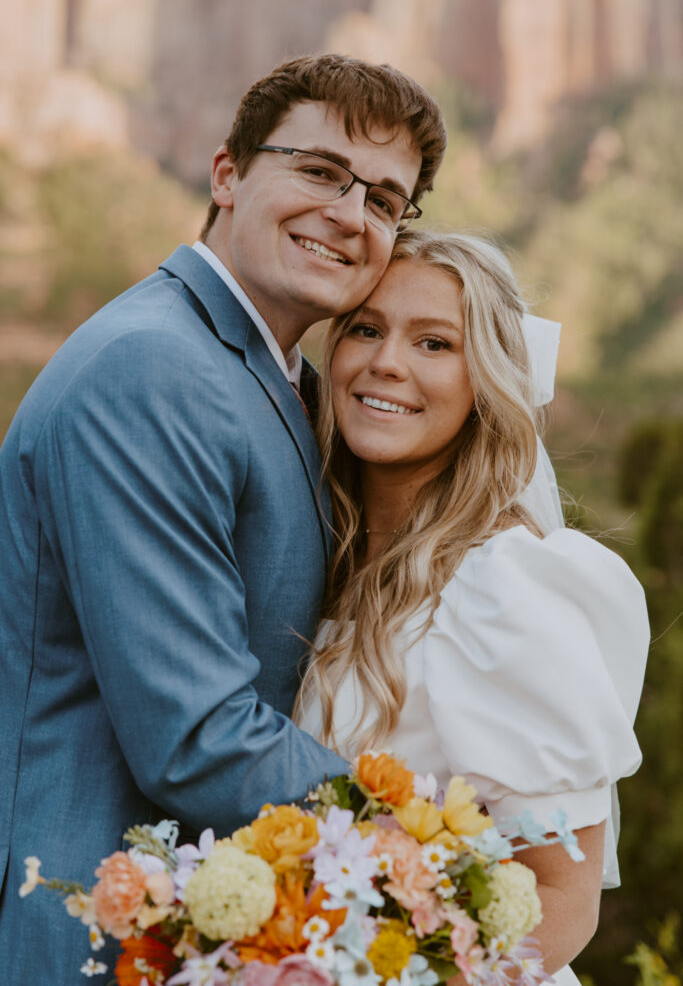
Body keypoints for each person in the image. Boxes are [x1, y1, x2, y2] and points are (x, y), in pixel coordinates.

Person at [0, 54, 447, 979]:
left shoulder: (273, 377)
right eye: (319, 172)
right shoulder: (154, 369)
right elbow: (196, 736)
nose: (346, 214)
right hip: (77, 921)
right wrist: (425, 843)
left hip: (197, 925)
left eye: (382, 198)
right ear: (227, 174)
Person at [295, 229, 650, 985]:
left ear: (484, 381)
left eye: (433, 343)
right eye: (366, 328)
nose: (386, 361)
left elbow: (560, 898)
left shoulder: (507, 589)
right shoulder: (325, 564)